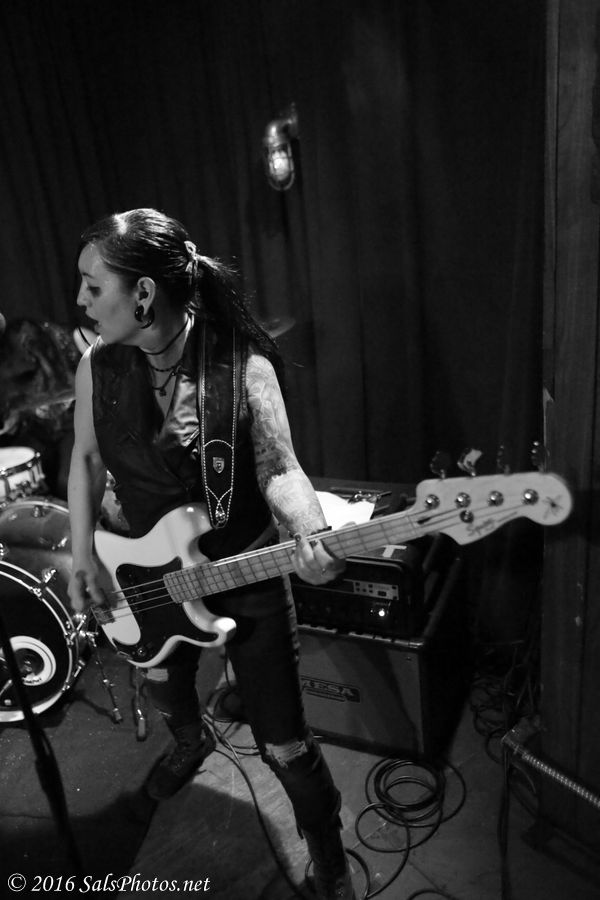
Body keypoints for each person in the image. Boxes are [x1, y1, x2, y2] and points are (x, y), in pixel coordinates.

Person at [67, 208, 356, 900]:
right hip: (144, 576)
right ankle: (190, 741)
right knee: (164, 687)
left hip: (242, 569)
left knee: (286, 746)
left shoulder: (242, 367)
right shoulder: (96, 365)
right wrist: (83, 556)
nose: (80, 300)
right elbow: (85, 459)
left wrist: (310, 531)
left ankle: (330, 859)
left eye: (93, 286)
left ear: (143, 294)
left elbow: (280, 468)